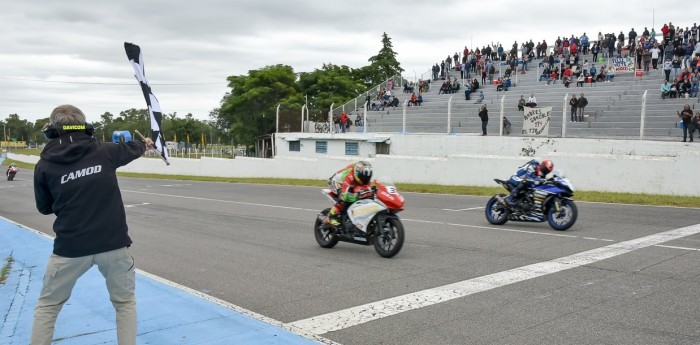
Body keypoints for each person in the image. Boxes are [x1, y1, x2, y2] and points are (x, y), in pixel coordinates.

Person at [31, 104, 154, 345]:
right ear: (85, 127)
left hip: (70, 248)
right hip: (114, 245)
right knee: (125, 303)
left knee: (48, 306)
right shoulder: (105, 151)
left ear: (52, 130)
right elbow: (134, 147)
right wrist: (146, 144)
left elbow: (44, 207)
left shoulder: (44, 165)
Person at [325, 161, 374, 227]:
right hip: (337, 182)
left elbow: (369, 188)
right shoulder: (349, 176)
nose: (365, 179)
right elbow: (345, 195)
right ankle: (331, 216)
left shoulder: (364, 176)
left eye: (367, 178)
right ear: (357, 173)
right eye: (363, 177)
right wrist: (356, 196)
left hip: (351, 184)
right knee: (343, 197)